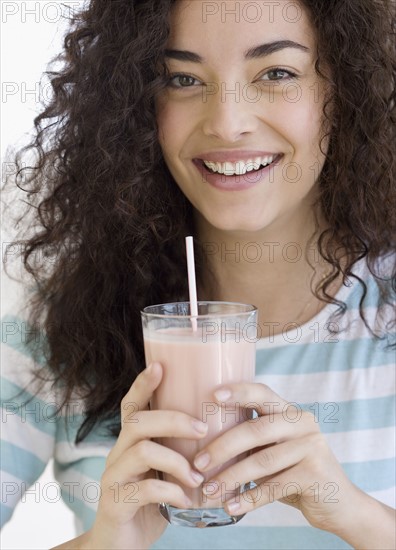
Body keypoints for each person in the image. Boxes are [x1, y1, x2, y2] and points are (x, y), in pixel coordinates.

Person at [1, 0, 395, 548]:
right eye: (183, 78)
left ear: (346, 90)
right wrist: (107, 544)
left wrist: (357, 516)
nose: (227, 124)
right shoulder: (64, 317)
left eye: (276, 73)